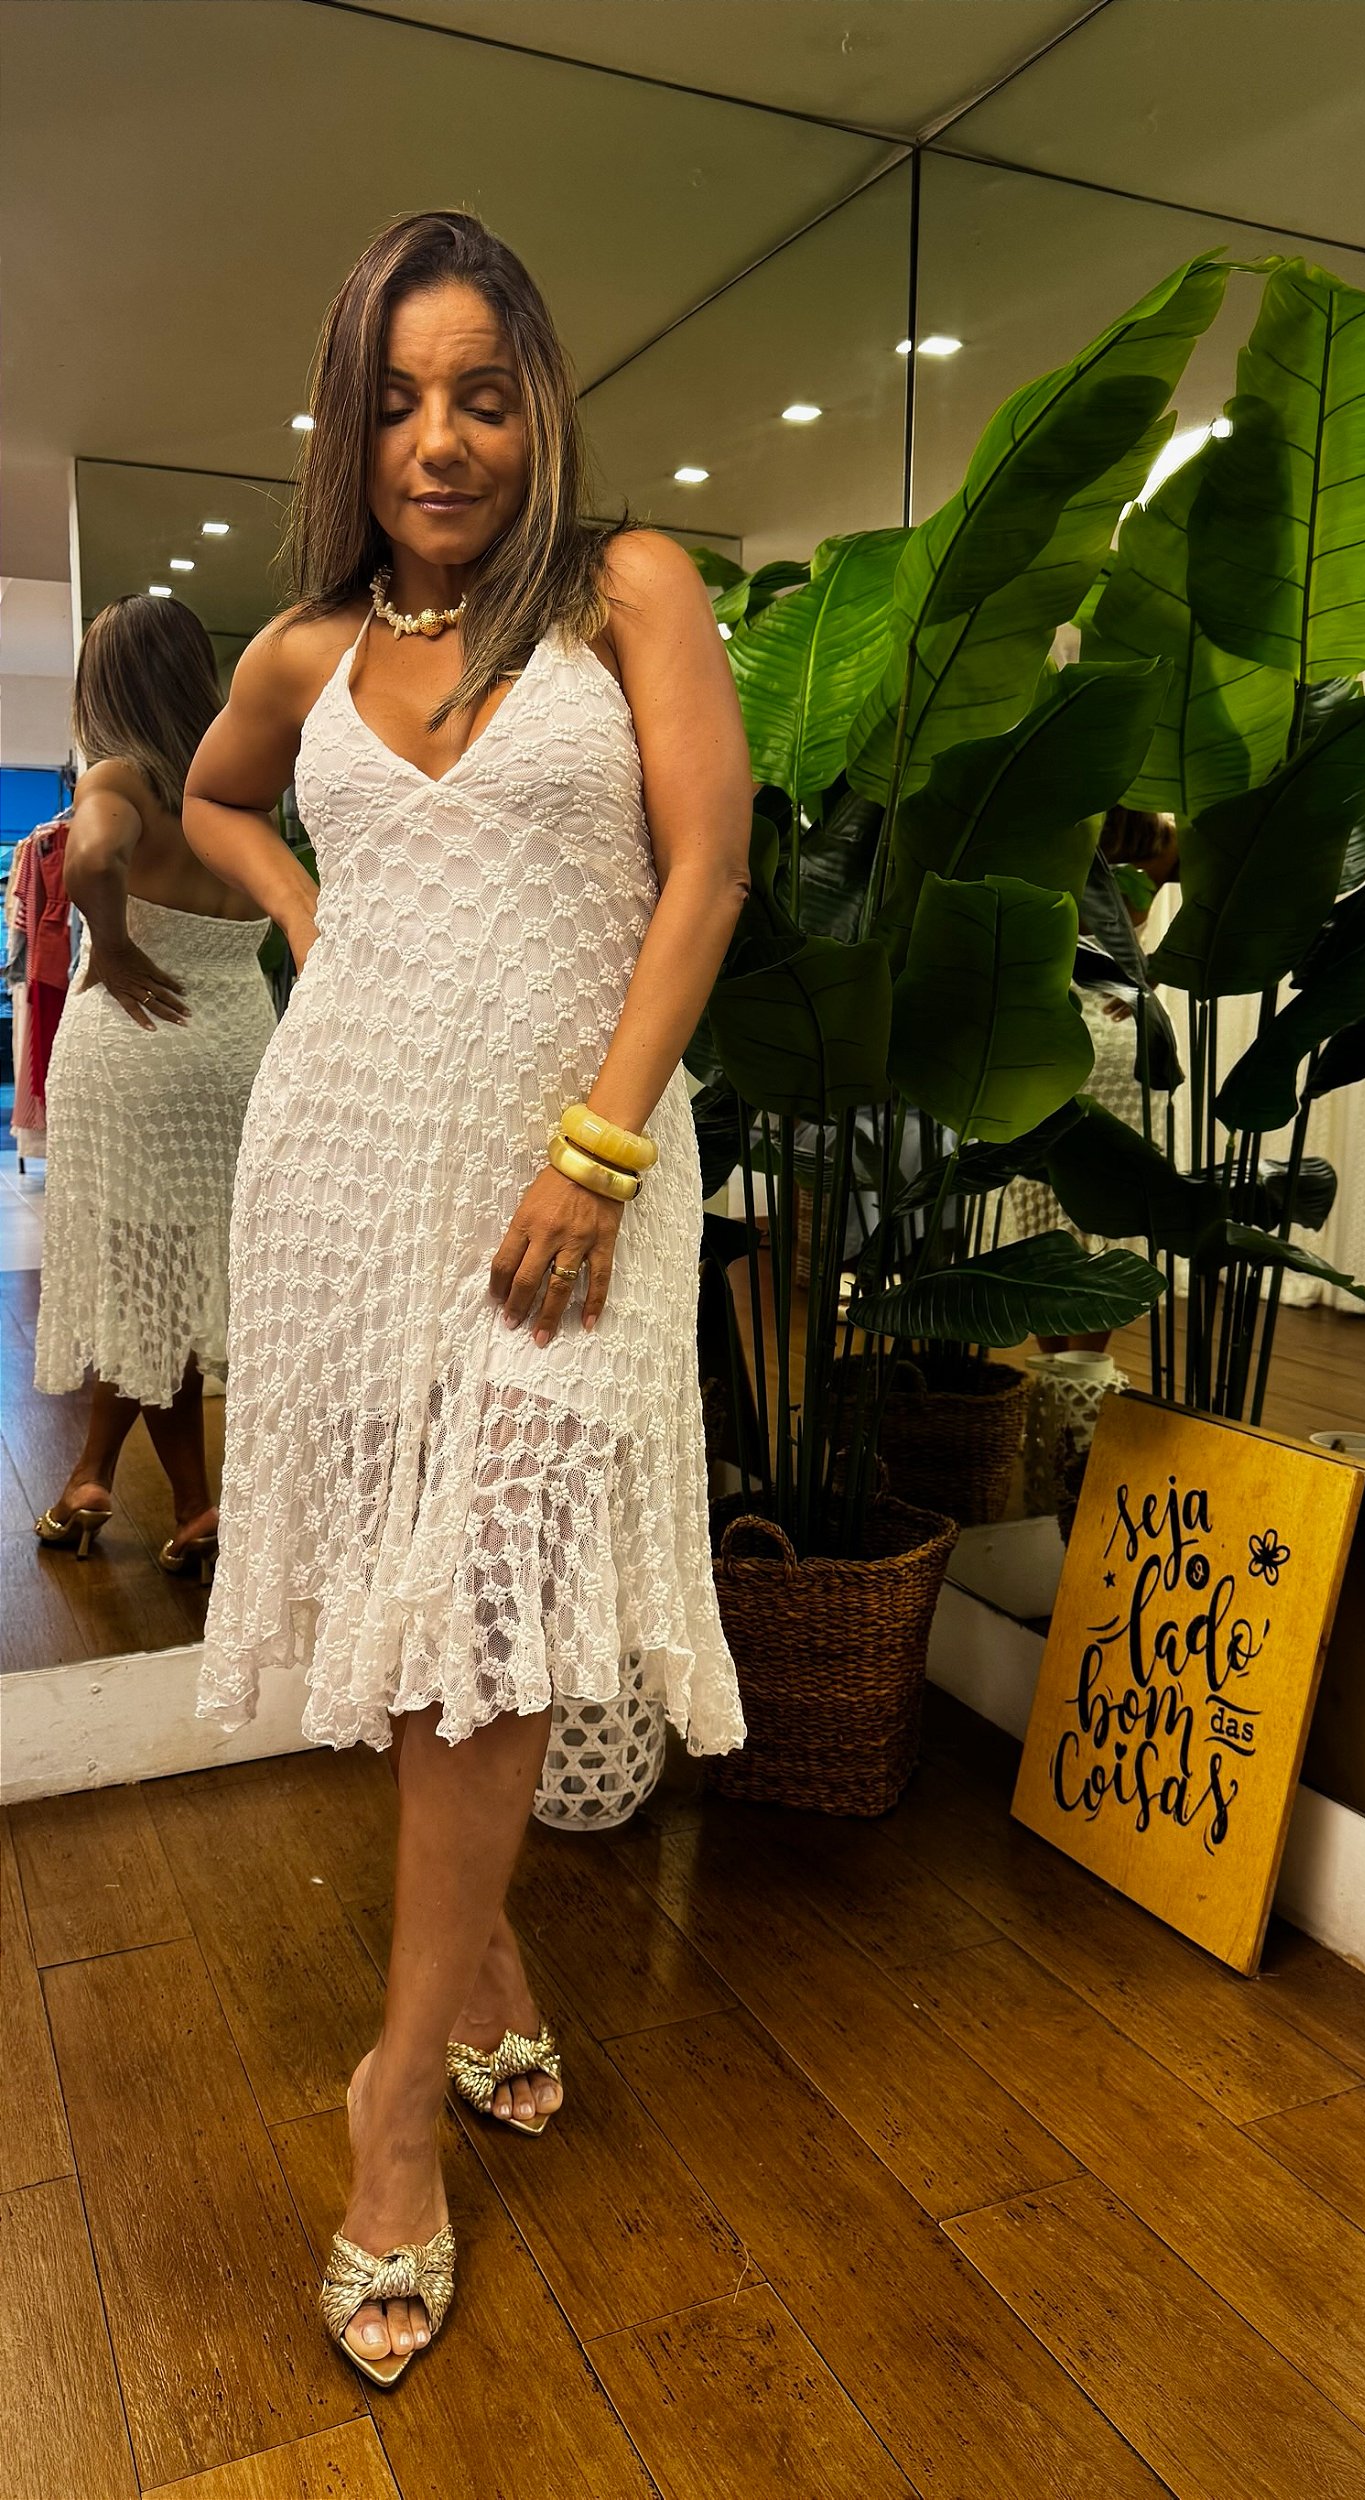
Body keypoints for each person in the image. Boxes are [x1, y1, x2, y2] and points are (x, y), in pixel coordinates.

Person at [181, 209, 753, 2384]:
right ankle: (486, 1960)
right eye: (398, 400)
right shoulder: (305, 649)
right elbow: (209, 798)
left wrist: (596, 1151)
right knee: (424, 1605)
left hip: (574, 1183)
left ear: (540, 407)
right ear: (350, 425)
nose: (440, 438)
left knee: (495, 1586)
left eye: (482, 396)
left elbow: (705, 867)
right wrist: (301, 906)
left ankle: (394, 2099)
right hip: (346, 1171)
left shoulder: (629, 592)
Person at [32, 595, 275, 1575]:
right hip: (237, 1046)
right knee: (166, 1276)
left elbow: (93, 855)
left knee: (147, 1277)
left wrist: (115, 946)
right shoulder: (240, 788)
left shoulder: (117, 775)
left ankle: (152, 1492)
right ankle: (124, 1486)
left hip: (138, 1045)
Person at [1003, 804, 1180, 1354]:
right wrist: (1153, 970)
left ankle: (1058, 1375)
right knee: (1109, 1198)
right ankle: (1080, 1372)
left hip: (1048, 1030)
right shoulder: (1167, 840)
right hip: (1117, 1029)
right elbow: (1228, 913)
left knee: (1044, 1196)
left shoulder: (1049, 829)